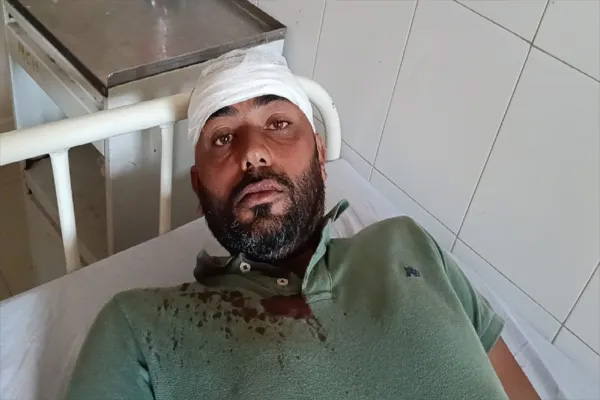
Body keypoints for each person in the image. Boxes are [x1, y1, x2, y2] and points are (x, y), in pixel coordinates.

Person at [65, 49, 539, 400]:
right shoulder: (141, 327)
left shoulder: (409, 245)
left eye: (277, 123)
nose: (253, 151)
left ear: (320, 156)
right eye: (223, 137)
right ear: (198, 185)